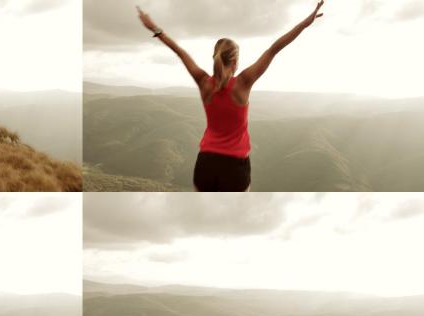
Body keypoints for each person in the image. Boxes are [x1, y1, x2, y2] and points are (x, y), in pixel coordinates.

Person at [138, 1, 326, 192]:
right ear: (235, 62)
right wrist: (305, 24)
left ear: (214, 58)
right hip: (235, 167)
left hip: (205, 164)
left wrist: (154, 28)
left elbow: (179, 52)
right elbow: (274, 48)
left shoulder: (203, 82)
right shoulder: (243, 83)